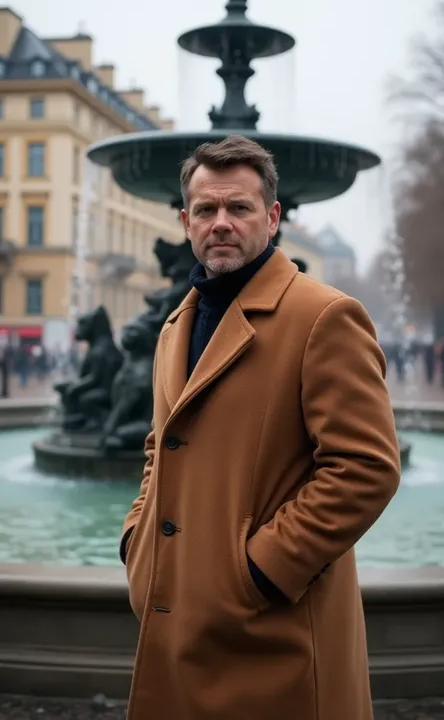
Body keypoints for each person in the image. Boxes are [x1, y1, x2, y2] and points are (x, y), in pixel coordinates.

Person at [120, 135, 401, 720]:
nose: (221, 223)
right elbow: (159, 446)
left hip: (274, 637)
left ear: (272, 218)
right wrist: (137, 539)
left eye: (239, 208)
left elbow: (366, 469)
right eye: (206, 210)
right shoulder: (177, 323)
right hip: (178, 619)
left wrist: (262, 571)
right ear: (185, 221)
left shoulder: (324, 315)